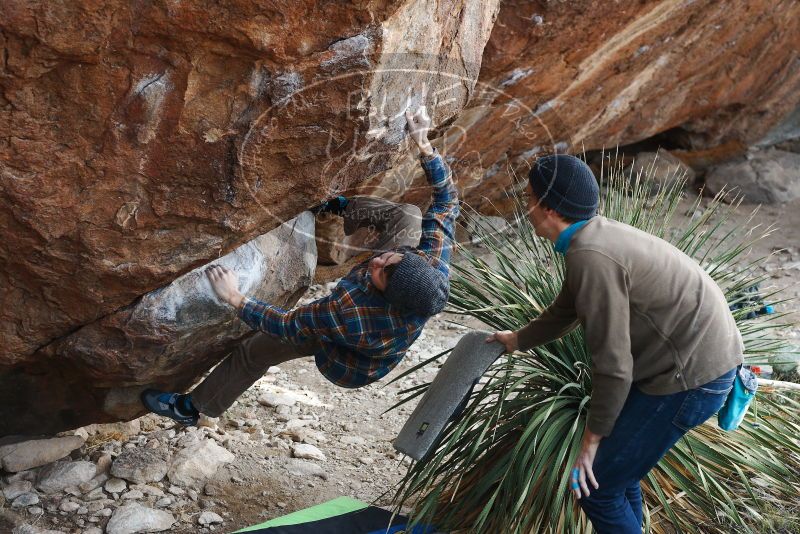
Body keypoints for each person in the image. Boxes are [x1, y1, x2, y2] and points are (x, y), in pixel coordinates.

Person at [141, 106, 459, 426]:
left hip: (346, 359)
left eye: (379, 271)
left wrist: (235, 297)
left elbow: (286, 324)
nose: (376, 259)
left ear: (387, 294)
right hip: (394, 291)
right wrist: (425, 145)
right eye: (390, 257)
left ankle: (192, 408)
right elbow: (446, 201)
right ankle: (340, 207)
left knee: (256, 350)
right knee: (409, 216)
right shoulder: (432, 264)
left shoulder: (352, 313)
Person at [487, 154, 743, 534]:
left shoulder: (591, 256)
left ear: (549, 208)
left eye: (529, 198)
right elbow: (566, 309)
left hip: (690, 379)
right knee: (615, 478)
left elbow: (613, 366)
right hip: (699, 362)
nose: (526, 207)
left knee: (598, 489)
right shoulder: (595, 239)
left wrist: (591, 443)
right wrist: (518, 340)